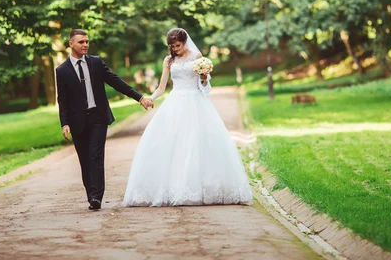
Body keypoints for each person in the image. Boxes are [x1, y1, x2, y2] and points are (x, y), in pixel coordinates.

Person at [123, 28, 252, 206]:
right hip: (175, 102)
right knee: (172, 144)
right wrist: (149, 99)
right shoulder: (168, 60)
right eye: (172, 46)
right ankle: (174, 188)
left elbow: (205, 88)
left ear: (184, 42)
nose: (175, 49)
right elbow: (162, 87)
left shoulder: (197, 57)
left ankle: (200, 188)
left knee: (197, 143)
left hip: (196, 102)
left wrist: (204, 78)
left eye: (178, 45)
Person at [56, 29, 153, 211]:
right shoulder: (62, 71)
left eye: (87, 41)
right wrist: (65, 123)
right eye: (81, 42)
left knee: (96, 156)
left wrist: (139, 98)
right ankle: (91, 195)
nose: (85, 45)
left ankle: (96, 197)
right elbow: (63, 100)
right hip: (77, 121)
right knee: (84, 159)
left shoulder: (96, 62)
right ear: (71, 44)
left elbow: (116, 82)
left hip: (98, 117)